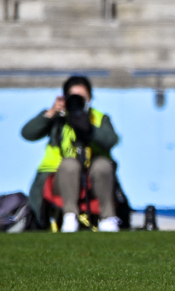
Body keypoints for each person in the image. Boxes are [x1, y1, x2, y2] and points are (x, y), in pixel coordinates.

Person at [21, 75, 121, 232]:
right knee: (70, 164)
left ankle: (107, 218)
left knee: (103, 164)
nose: (78, 101)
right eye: (74, 97)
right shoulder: (59, 119)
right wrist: (52, 112)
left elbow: (111, 140)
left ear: (90, 97)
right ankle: (70, 216)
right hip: (59, 178)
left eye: (82, 97)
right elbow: (28, 134)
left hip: (93, 177)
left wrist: (89, 129)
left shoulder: (99, 118)